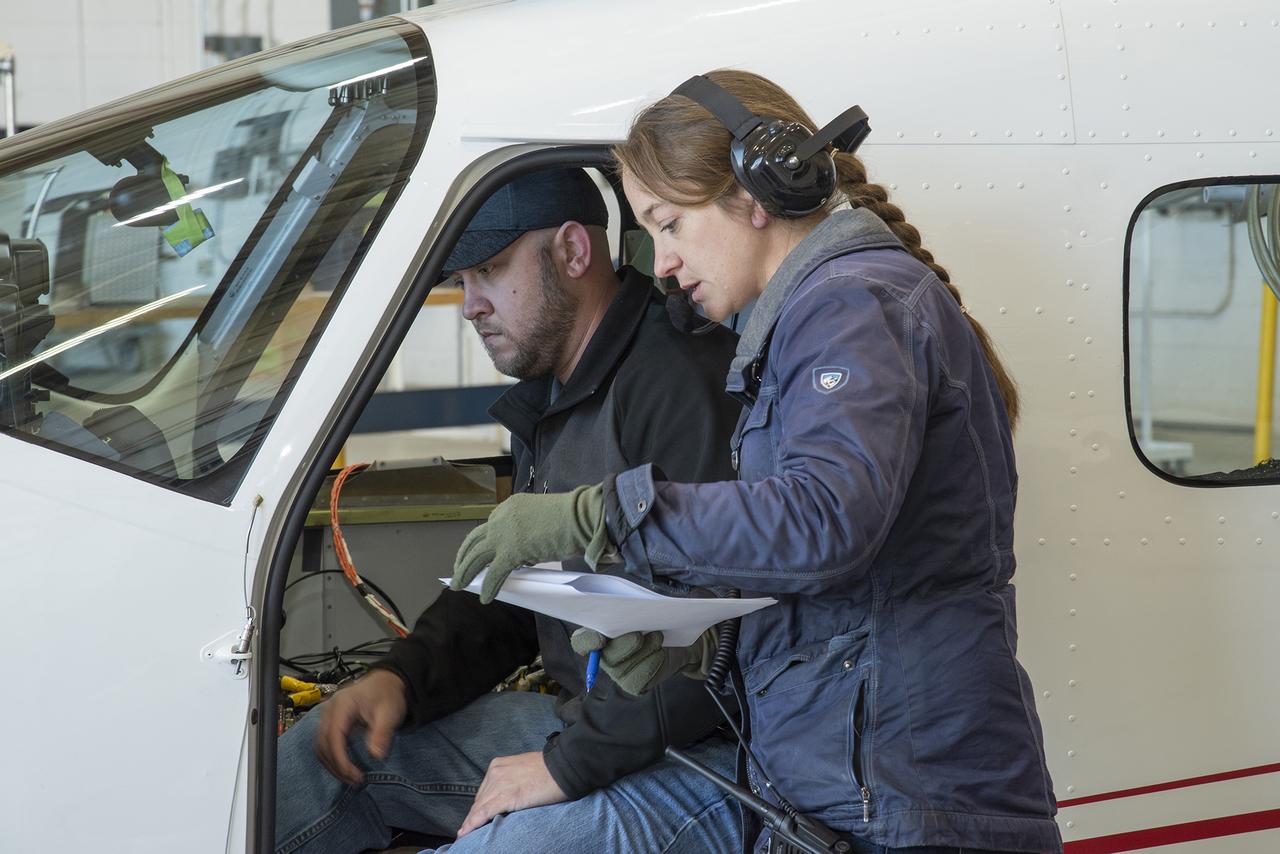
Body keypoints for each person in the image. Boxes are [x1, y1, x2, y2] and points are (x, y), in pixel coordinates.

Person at [450, 72, 1064, 854]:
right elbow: (841, 584)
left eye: (670, 225)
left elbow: (824, 520)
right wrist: (701, 649)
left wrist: (601, 514)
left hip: (911, 798)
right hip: (845, 793)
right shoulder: (808, 320)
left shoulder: (850, 307)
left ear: (756, 191)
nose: (663, 263)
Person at [275, 168, 747, 853]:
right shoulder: (551, 395)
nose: (471, 306)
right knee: (318, 756)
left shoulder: (678, 386)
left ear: (573, 252)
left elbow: (718, 651)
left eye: (491, 270)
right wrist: (400, 679)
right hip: (588, 726)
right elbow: (515, 588)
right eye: (461, 282)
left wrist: (563, 767)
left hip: (703, 760)